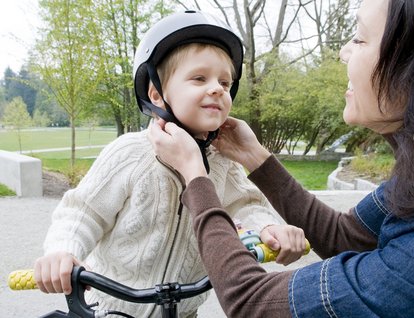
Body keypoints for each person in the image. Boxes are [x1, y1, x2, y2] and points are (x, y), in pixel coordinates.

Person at [149, 0, 414, 317]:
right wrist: (256, 157)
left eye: (360, 38)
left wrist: (194, 174)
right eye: (198, 79)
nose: (343, 53)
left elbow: (252, 302)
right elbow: (345, 237)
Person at [34, 11, 307, 318]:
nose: (217, 88)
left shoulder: (222, 164)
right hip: (114, 310)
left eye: (225, 82)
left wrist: (269, 228)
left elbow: (247, 204)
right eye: (199, 78)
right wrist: (62, 252)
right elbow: (82, 213)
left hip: (183, 311)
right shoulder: (128, 154)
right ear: (157, 95)